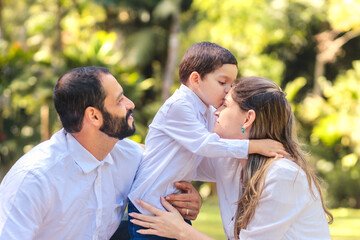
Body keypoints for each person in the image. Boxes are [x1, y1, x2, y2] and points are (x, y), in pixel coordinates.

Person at [0, 66, 201, 240]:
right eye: (120, 100)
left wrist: (189, 199)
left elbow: (166, 166)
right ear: (94, 116)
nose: (130, 104)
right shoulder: (34, 179)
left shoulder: (129, 156)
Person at [128, 76, 333, 240]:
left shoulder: (281, 176)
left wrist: (181, 231)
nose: (216, 112)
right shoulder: (231, 162)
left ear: (248, 118)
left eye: (225, 105)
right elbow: (165, 156)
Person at [127, 43, 287, 240]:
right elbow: (207, 145)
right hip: (149, 204)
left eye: (232, 84)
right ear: (196, 79)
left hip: (173, 203)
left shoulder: (208, 111)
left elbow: (214, 161)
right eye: (222, 83)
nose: (228, 91)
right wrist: (255, 146)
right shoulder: (179, 106)